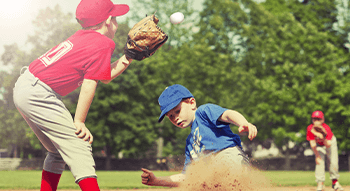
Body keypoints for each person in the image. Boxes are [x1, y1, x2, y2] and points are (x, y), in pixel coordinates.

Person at [13, 0, 132, 190]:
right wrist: (79, 121)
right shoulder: (103, 43)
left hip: (26, 86)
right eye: (116, 17)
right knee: (79, 144)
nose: (116, 22)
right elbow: (90, 83)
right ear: (109, 21)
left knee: (57, 152)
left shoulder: (83, 37)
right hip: (39, 93)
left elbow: (104, 76)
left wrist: (128, 57)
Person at [141, 84, 257, 187]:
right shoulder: (190, 143)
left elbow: (227, 114)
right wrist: (156, 181)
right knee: (197, 179)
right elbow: (187, 177)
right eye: (170, 116)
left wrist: (243, 122)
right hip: (214, 172)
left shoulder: (203, 112)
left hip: (229, 159)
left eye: (177, 111)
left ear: (192, 103)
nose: (175, 118)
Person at [306, 110, 344, 191]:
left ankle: (335, 183)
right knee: (319, 162)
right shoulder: (310, 128)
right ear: (312, 120)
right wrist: (317, 156)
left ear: (323, 119)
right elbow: (313, 144)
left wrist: (322, 136)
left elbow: (328, 145)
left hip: (329, 143)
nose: (316, 121)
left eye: (318, 119)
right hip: (319, 146)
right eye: (314, 119)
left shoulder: (326, 128)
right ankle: (320, 184)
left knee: (333, 161)